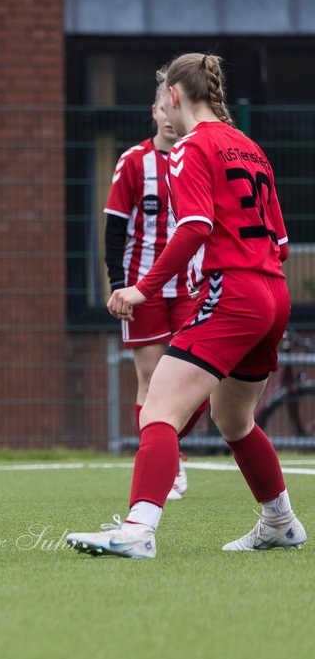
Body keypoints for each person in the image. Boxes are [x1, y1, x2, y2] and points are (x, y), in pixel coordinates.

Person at [68, 53, 305, 558]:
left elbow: (194, 227)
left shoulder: (189, 147)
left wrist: (142, 289)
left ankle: (138, 529)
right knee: (234, 420)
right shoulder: (250, 148)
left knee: (158, 405)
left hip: (235, 293)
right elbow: (281, 241)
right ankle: (280, 521)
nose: (162, 110)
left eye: (162, 99)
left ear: (173, 97)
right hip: (272, 291)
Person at [103, 83, 205, 500]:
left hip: (188, 287)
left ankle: (170, 448)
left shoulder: (197, 156)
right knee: (150, 376)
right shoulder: (133, 162)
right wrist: (117, 286)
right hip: (141, 286)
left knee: (197, 376)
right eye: (161, 108)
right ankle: (164, 463)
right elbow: (113, 231)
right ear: (154, 111)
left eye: (172, 108)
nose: (167, 116)